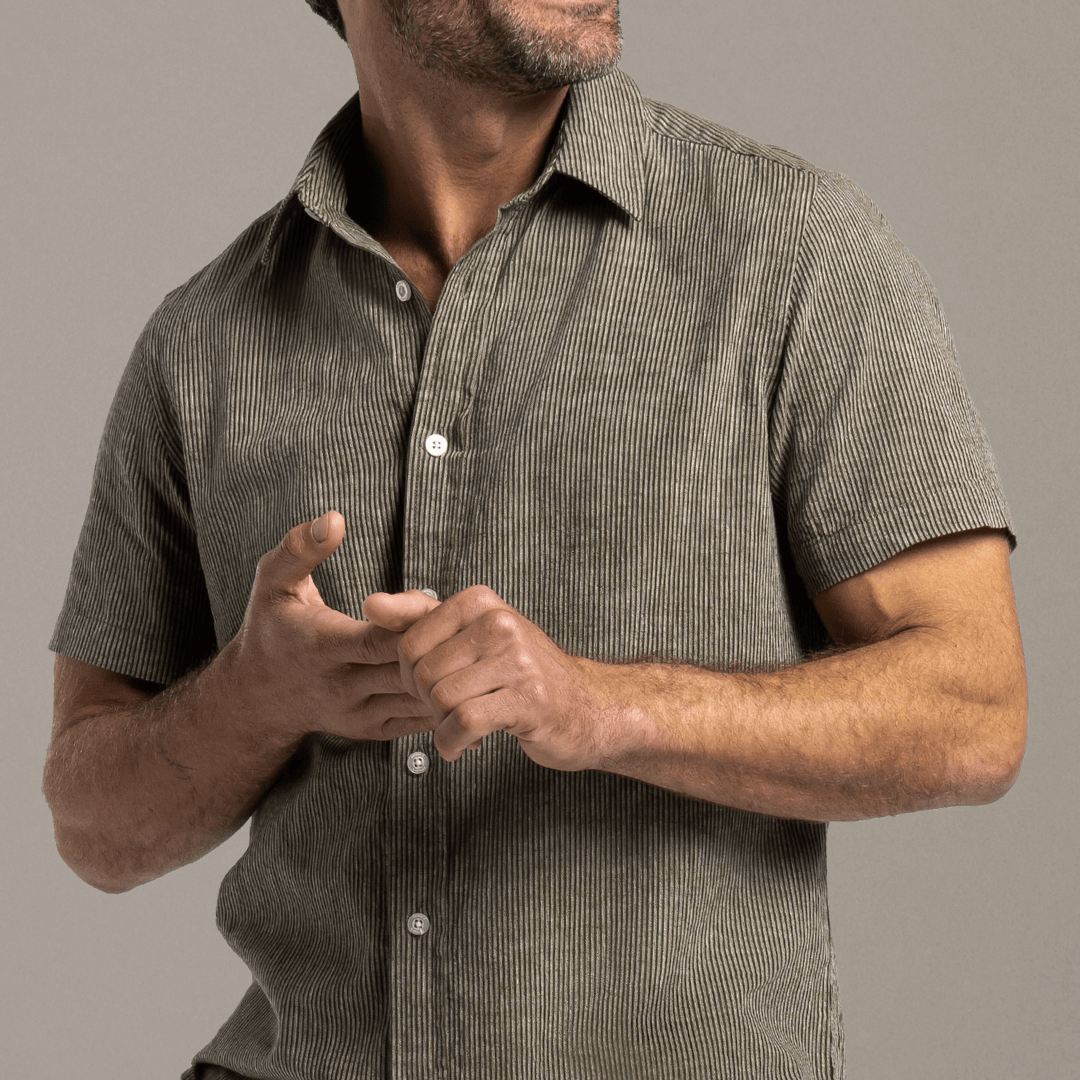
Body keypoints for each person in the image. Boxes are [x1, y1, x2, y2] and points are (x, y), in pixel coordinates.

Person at [43, 1, 1027, 1077]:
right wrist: (255, 696)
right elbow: (94, 829)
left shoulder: (796, 254)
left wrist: (603, 708)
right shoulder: (203, 342)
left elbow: (975, 711)